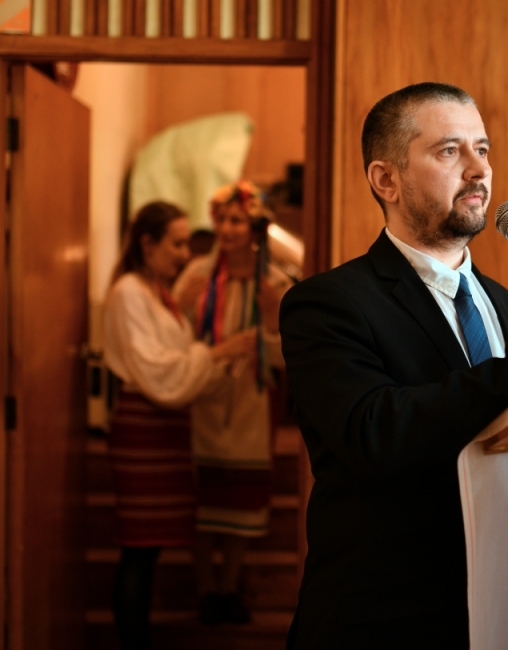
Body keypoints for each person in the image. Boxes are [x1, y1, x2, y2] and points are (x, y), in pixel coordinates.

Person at [279, 82, 508, 649]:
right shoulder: (329, 302)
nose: (478, 170)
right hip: (387, 618)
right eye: (449, 151)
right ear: (386, 179)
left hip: (506, 604)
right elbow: (374, 432)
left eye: (482, 149)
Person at [103, 201, 253, 650]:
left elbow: (179, 368)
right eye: (177, 242)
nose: (184, 253)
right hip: (143, 426)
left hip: (165, 427)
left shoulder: (157, 293)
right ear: (147, 244)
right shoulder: (129, 291)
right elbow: (157, 371)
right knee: (138, 548)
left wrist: (221, 365)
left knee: (147, 550)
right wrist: (218, 353)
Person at [173, 181, 288, 624]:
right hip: (201, 399)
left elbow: (287, 357)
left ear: (255, 229)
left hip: (251, 404)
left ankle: (230, 588)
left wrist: (272, 319)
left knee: (241, 497)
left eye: (236, 220)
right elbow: (175, 343)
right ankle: (205, 591)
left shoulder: (275, 283)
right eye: (220, 219)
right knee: (204, 501)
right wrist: (179, 306)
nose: (225, 229)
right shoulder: (195, 279)